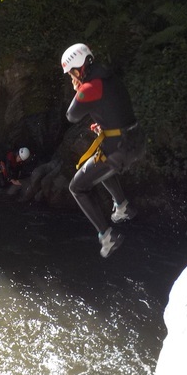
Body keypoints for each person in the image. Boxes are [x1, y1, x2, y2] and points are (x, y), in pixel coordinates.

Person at [61, 43, 145, 258]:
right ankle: (122, 206)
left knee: (77, 187)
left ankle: (107, 236)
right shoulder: (110, 78)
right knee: (97, 164)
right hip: (133, 140)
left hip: (119, 148)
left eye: (71, 73)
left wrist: (79, 88)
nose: (71, 77)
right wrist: (106, 125)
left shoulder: (90, 87)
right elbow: (115, 107)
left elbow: (72, 115)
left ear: (79, 67)